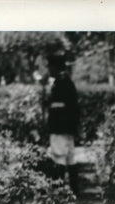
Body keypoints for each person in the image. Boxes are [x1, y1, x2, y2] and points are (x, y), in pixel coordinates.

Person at [46, 54, 80, 195]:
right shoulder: (68, 81)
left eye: (50, 66)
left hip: (59, 126)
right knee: (70, 158)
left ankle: (59, 189)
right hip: (68, 127)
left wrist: (48, 105)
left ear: (55, 67)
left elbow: (59, 106)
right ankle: (74, 189)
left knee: (59, 157)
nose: (48, 69)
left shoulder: (60, 83)